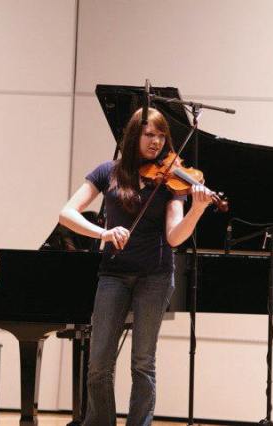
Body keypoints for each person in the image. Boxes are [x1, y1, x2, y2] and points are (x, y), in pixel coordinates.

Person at [59, 107, 213, 426]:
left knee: (143, 362)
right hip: (113, 274)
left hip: (155, 276)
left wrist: (196, 211)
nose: (156, 142)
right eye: (149, 134)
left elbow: (174, 237)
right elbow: (67, 214)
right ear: (133, 136)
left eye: (161, 136)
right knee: (99, 363)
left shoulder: (171, 181)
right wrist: (103, 233)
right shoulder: (108, 171)